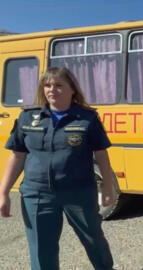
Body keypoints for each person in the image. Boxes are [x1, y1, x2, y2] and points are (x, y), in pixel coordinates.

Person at [0, 67, 114, 270]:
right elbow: (17, 156)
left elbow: (101, 155)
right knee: (41, 250)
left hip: (78, 193)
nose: (52, 89)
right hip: (37, 194)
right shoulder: (28, 117)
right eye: (47, 85)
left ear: (72, 89)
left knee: (93, 240)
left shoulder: (86, 118)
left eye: (59, 85)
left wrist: (108, 186)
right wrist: (4, 192)